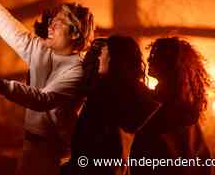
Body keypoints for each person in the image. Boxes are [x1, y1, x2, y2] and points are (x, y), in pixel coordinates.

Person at [0, 0, 95, 175]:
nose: (50, 26)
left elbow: (42, 100)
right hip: (30, 147)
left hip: (56, 156)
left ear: (76, 32)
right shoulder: (41, 49)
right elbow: (8, 26)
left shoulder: (78, 71)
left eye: (59, 22)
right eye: (52, 20)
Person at [62, 36, 161, 175]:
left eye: (102, 53)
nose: (99, 58)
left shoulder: (104, 95)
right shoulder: (137, 95)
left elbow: (86, 146)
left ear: (115, 58)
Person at [130, 37, 212, 175]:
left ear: (170, 64)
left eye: (156, 56)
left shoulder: (159, 106)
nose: (149, 60)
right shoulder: (187, 107)